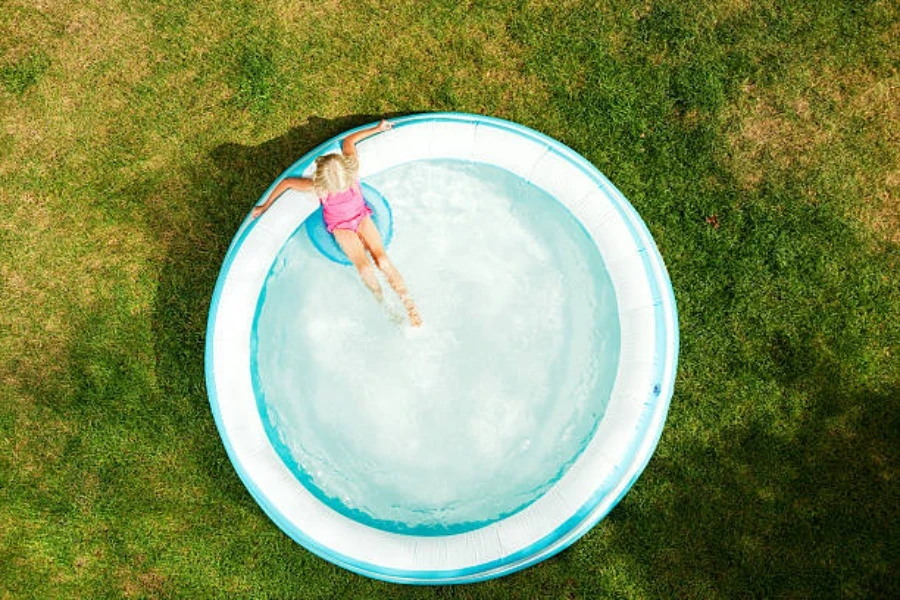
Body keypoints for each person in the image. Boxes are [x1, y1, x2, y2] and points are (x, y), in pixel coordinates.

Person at [251, 119, 422, 327]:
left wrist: (378, 128)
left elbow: (288, 182)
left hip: (359, 217)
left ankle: (407, 304)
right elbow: (348, 141)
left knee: (380, 262)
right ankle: (385, 303)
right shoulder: (333, 179)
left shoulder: (329, 180)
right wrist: (265, 206)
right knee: (366, 266)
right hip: (342, 226)